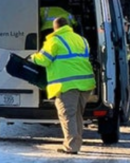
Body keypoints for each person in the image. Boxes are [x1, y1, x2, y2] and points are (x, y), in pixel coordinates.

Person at [29, 16, 95, 154]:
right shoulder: (81, 39)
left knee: (67, 115)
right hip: (85, 83)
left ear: (55, 28)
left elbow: (44, 60)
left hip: (66, 84)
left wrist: (33, 57)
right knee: (77, 115)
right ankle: (75, 144)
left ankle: (71, 146)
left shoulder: (54, 40)